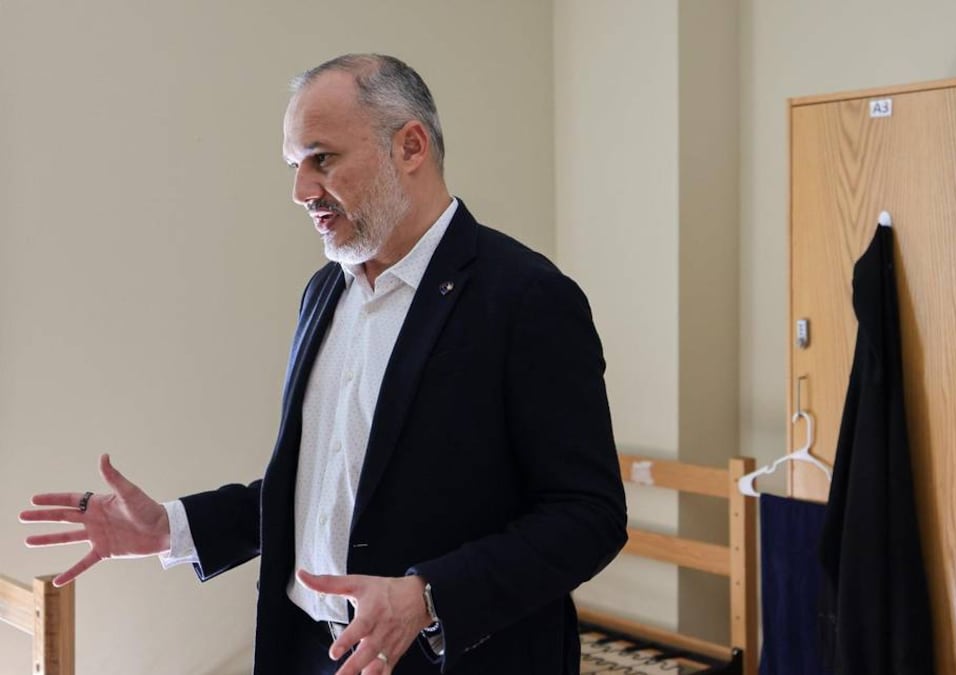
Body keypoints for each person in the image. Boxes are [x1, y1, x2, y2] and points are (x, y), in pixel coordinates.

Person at [19, 54, 628, 675]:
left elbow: (589, 516)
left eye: (323, 159)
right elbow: (324, 487)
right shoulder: (325, 291)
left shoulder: (526, 297)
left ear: (410, 147)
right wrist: (172, 528)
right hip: (311, 654)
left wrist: (428, 597)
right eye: (295, 166)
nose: (302, 191)